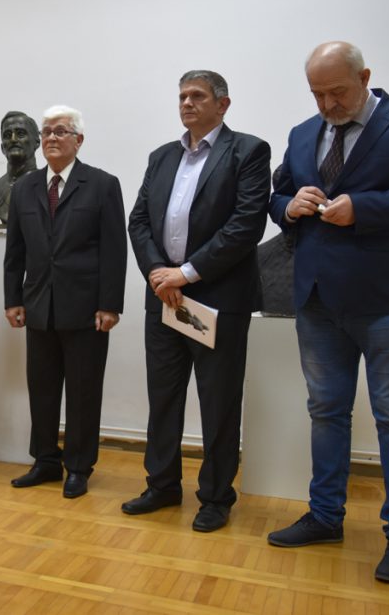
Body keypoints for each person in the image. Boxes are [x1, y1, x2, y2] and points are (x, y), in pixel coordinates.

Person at [267, 41, 389, 583]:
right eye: (317, 94)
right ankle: (325, 516)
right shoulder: (302, 133)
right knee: (326, 411)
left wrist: (364, 208)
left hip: (388, 301)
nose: (327, 104)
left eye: (337, 91)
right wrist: (288, 207)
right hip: (317, 300)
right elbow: (278, 195)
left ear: (365, 76)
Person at [124, 71, 271, 532]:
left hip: (217, 300)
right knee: (163, 398)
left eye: (198, 96)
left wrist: (185, 273)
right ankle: (162, 485)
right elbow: (139, 221)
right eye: (182, 96)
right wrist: (159, 273)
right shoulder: (162, 156)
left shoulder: (248, 151)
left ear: (222, 104)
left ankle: (216, 497)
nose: (187, 103)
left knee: (218, 402)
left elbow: (246, 225)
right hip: (163, 298)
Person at [3, 104, 127, 499]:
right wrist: (13, 298)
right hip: (39, 305)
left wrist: (110, 304)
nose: (51, 138)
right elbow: (15, 250)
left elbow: (114, 249)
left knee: (83, 391)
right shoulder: (24, 188)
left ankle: (78, 466)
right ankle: (45, 460)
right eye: (46, 132)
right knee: (41, 388)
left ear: (79, 140)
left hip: (87, 309)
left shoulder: (102, 185)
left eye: (60, 131)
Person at [0, 111, 41, 225]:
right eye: (7, 135)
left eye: (20, 134)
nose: (13, 139)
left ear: (37, 143)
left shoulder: (50, 187)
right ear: (2, 147)